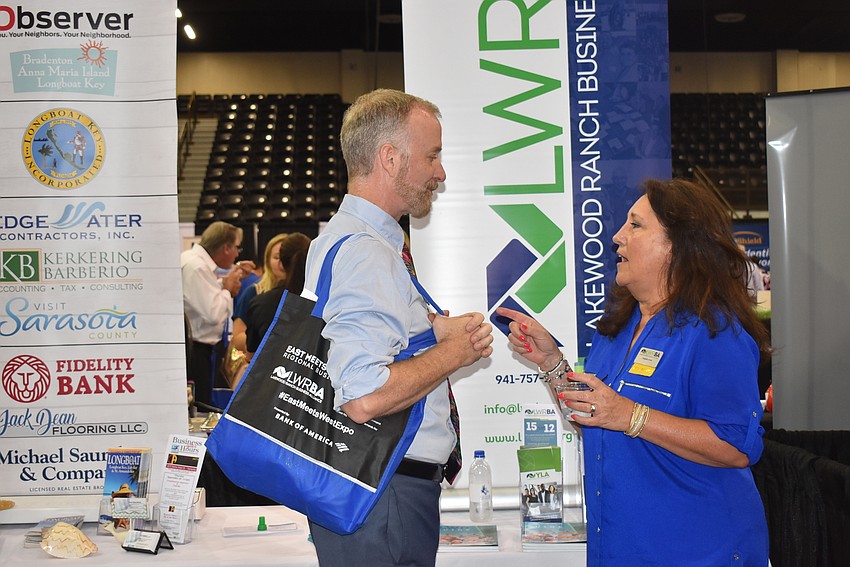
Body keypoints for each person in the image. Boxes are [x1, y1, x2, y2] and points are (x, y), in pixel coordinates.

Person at [497, 178, 770, 566]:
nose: (616, 237)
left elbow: (736, 447)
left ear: (677, 244)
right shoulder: (616, 329)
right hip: (621, 547)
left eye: (635, 225)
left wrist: (630, 416)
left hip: (699, 551)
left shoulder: (714, 331)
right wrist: (551, 363)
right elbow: (595, 416)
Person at [302, 88, 494, 566]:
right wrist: (456, 351)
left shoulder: (346, 238)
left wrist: (432, 329)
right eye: (432, 156)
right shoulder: (368, 252)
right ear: (390, 158)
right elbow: (363, 395)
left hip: (372, 490)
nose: (441, 172)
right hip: (383, 496)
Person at [181, 221, 255, 407]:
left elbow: (201, 298)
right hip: (195, 352)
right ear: (226, 248)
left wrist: (226, 282)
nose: (238, 254)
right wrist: (228, 290)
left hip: (199, 350)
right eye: (237, 248)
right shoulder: (195, 267)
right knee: (199, 407)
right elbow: (213, 313)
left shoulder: (196, 264)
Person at [243, 232, 312, 356]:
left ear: (281, 263)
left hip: (271, 373)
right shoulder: (327, 301)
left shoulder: (261, 303)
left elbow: (251, 354)